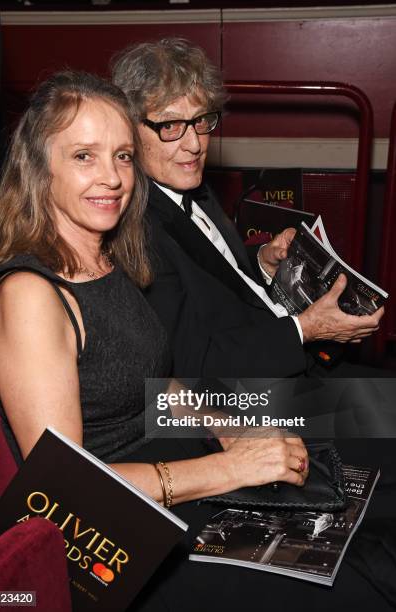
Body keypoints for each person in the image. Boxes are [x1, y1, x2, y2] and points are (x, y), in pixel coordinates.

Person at [0, 71, 338, 611]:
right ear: (37, 169)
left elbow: (154, 385)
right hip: (119, 543)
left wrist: (230, 427)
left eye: (121, 156)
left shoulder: (106, 258)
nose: (113, 178)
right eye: (84, 156)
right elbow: (69, 487)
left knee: (351, 508)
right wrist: (230, 469)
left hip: (179, 483)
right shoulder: (30, 294)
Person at [111, 38, 385, 380]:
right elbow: (192, 366)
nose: (194, 144)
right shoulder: (136, 229)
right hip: (257, 401)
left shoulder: (192, 188)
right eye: (170, 126)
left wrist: (263, 264)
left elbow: (220, 285)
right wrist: (306, 330)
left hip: (291, 365)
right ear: (128, 131)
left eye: (201, 121)